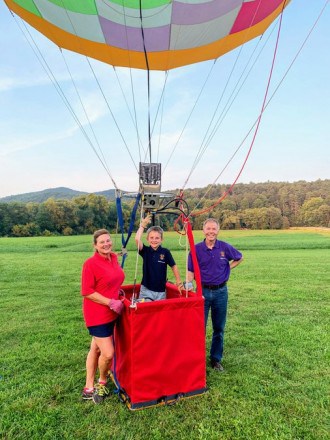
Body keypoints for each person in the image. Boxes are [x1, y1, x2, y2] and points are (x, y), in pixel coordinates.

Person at [187, 218, 243, 371]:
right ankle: (197, 361)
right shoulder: (196, 249)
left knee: (219, 327)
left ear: (218, 231)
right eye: (208, 229)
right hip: (202, 292)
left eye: (214, 229)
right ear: (203, 231)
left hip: (221, 292)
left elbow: (239, 257)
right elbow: (190, 271)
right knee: (199, 328)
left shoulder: (224, 247)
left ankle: (215, 359)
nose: (211, 231)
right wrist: (187, 284)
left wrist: (228, 269)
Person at [81, 229, 125, 404]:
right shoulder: (90, 264)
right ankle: (102, 381)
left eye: (108, 241)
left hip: (112, 313)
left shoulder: (113, 258)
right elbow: (87, 292)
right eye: (102, 242)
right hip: (97, 314)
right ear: (95, 245)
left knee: (95, 349)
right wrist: (110, 301)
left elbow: (113, 279)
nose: (106, 244)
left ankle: (88, 387)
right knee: (108, 353)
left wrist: (117, 291)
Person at [135, 214, 183, 301]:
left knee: (159, 314)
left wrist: (179, 282)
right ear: (147, 239)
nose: (154, 240)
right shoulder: (145, 251)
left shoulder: (165, 252)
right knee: (146, 312)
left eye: (157, 238)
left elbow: (174, 266)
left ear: (161, 240)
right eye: (151, 238)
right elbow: (137, 239)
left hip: (161, 292)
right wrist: (142, 225)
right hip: (146, 291)